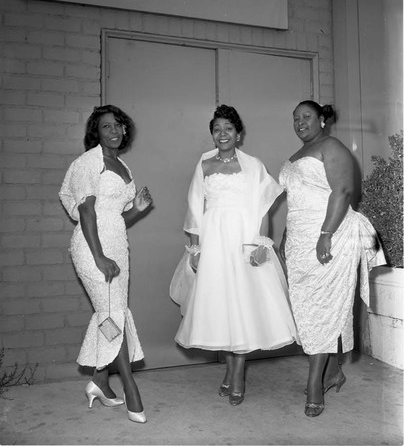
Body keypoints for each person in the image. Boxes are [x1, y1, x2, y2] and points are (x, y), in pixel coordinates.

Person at [170, 104, 299, 406]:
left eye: (229, 128)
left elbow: (262, 208)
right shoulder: (203, 164)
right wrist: (196, 249)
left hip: (243, 241)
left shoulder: (253, 165)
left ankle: (237, 375)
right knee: (222, 307)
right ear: (212, 135)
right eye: (217, 129)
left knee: (242, 306)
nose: (223, 133)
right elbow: (194, 210)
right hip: (214, 242)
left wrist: (260, 245)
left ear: (239, 134)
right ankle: (231, 372)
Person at [279, 100, 385, 418]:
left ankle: (315, 385)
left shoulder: (332, 146)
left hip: (328, 235)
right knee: (306, 312)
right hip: (298, 241)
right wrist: (286, 236)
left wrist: (325, 234)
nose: (300, 122)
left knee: (321, 311)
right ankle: (333, 370)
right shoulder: (295, 155)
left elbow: (342, 191)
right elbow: (296, 201)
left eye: (307, 117)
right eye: (295, 118)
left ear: (322, 120)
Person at [59, 105, 153, 424]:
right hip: (91, 246)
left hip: (116, 243)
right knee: (110, 313)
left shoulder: (122, 165)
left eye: (118, 125)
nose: (113, 131)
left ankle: (99, 381)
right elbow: (87, 213)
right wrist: (99, 257)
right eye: (105, 127)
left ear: (125, 129)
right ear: (95, 133)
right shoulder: (89, 162)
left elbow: (116, 218)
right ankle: (129, 385)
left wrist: (137, 209)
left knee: (111, 313)